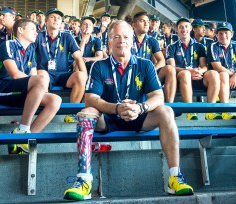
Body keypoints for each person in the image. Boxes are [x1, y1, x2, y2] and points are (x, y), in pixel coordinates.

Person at [63, 20, 193, 201]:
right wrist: (116, 108)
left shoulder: (145, 64)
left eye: (125, 37)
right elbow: (90, 98)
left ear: (132, 41)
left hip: (139, 116)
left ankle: (175, 176)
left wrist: (141, 107)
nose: (121, 41)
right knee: (86, 113)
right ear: (108, 42)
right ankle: (84, 180)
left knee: (167, 112)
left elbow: (158, 96)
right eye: (116, 37)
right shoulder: (99, 66)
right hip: (108, 118)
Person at [0, 19, 61, 154]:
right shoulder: (8, 45)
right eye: (32, 29)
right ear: (20, 30)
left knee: (55, 100)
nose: (36, 33)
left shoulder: (31, 50)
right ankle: (23, 129)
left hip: (18, 90)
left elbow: (33, 76)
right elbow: (14, 74)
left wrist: (39, 86)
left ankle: (25, 139)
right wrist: (39, 83)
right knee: (41, 79)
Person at [35, 8, 87, 122]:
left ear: (61, 23)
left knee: (81, 76)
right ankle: (44, 111)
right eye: (53, 17)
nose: (56, 20)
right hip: (45, 73)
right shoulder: (38, 36)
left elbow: (78, 57)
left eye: (59, 18)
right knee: (41, 74)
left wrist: (85, 77)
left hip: (63, 74)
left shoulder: (67, 36)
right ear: (47, 20)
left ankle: (71, 114)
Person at [166, 17, 220, 120]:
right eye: (181, 27)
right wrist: (188, 71)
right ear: (177, 30)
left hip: (197, 76)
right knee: (185, 74)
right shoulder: (171, 47)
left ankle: (211, 112)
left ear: (190, 28)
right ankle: (190, 112)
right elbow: (171, 67)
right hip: (180, 79)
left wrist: (199, 71)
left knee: (214, 74)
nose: (184, 29)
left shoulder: (199, 46)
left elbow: (204, 66)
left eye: (186, 26)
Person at [132, 11, 176, 103]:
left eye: (147, 22)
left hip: (148, 73)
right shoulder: (127, 39)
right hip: (131, 74)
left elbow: (161, 61)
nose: (146, 24)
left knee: (170, 69)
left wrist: (150, 70)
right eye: (142, 21)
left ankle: (169, 106)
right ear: (134, 25)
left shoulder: (152, 41)